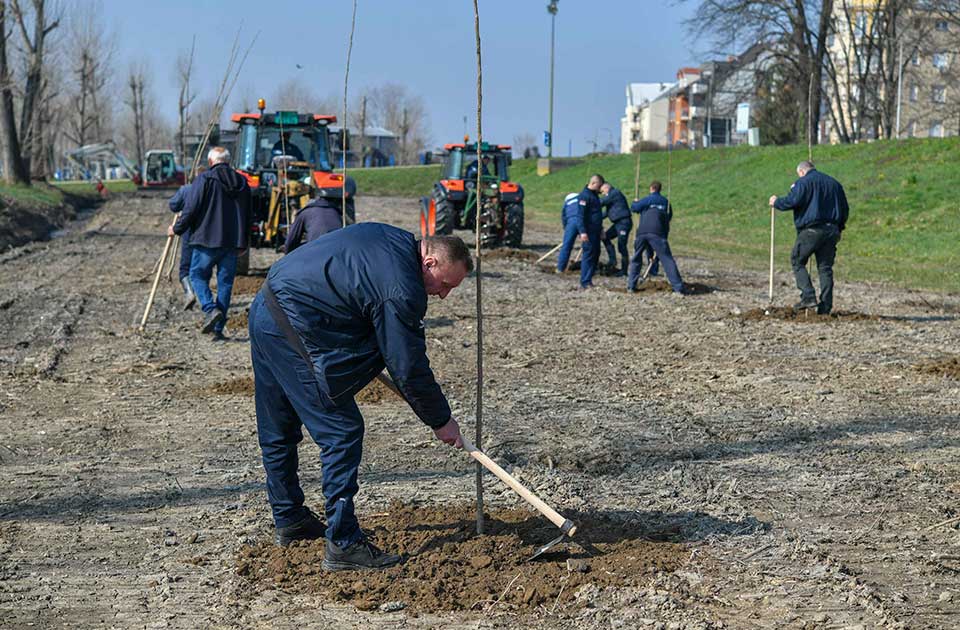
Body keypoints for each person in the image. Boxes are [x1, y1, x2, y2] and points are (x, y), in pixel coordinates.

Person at [249, 224, 471, 571]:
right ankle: (344, 543)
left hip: (266, 307)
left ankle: (289, 518)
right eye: (445, 285)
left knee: (280, 424)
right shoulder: (402, 288)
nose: (442, 295)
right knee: (342, 430)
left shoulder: (393, 239)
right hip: (293, 323)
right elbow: (407, 366)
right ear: (429, 263)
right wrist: (440, 420)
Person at [169, 147, 251, 340]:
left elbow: (191, 208)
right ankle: (218, 330)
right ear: (228, 161)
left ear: (211, 161)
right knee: (225, 285)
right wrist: (243, 243)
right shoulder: (242, 182)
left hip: (206, 239)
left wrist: (177, 228)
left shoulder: (205, 179)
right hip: (231, 242)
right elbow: (248, 215)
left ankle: (209, 309)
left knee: (196, 275)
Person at [769, 160, 849, 314]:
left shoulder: (803, 183)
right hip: (832, 230)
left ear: (802, 172)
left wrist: (776, 202)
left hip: (812, 230)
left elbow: (793, 201)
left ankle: (808, 296)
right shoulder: (835, 184)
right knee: (825, 268)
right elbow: (845, 209)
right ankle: (825, 307)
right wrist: (839, 228)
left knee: (797, 260)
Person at [627, 181, 685, 294]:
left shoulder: (647, 199)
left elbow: (634, 208)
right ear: (660, 189)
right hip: (658, 233)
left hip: (642, 232)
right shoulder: (665, 202)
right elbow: (668, 218)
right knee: (667, 259)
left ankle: (631, 286)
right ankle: (678, 287)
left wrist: (635, 202)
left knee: (636, 258)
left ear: (651, 188)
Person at [168, 185, 196, 310]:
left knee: (185, 268)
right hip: (209, 235)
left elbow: (173, 205)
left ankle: (189, 293)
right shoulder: (215, 189)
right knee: (201, 269)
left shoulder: (186, 190)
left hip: (189, 232)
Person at [576, 174, 605, 289]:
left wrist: (601, 229)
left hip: (596, 231)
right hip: (588, 231)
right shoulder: (584, 196)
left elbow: (597, 215)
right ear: (594, 183)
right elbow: (580, 216)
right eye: (600, 185)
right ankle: (585, 281)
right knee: (588, 255)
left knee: (596, 254)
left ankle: (589, 279)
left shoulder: (595, 196)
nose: (601, 188)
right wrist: (582, 232)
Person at [599, 182, 632, 277]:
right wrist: (596, 217)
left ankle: (624, 271)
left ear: (606, 187)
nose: (602, 194)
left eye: (602, 191)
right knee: (605, 237)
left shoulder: (615, 193)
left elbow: (602, 202)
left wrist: (591, 204)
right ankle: (612, 260)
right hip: (617, 224)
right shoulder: (611, 199)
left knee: (622, 246)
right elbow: (607, 213)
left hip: (624, 223)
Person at [555, 192, 581, 273]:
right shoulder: (583, 199)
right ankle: (588, 269)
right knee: (588, 246)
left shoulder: (567, 203)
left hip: (571, 223)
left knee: (566, 246)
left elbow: (564, 217)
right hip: (583, 221)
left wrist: (566, 228)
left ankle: (560, 268)